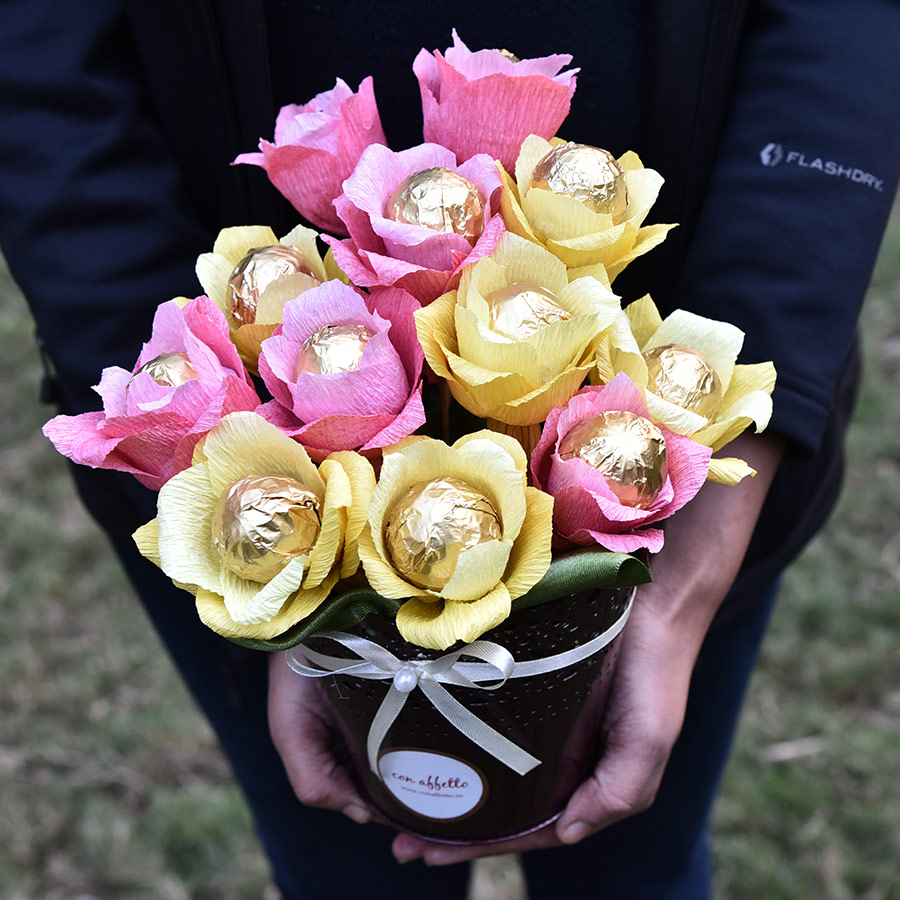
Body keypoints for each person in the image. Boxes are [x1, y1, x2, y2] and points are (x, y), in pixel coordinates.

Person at [1, 1, 898, 897]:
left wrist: (691, 575)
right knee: (347, 872)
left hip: (692, 454)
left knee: (635, 868)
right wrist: (278, 581)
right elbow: (39, 64)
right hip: (242, 449)